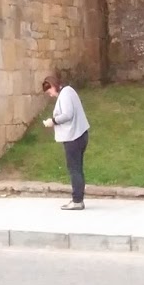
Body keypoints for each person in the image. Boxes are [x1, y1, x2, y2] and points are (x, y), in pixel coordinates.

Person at [42, 74, 90, 210]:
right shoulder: (69, 92)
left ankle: (77, 200)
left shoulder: (65, 94)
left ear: (52, 86)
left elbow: (68, 115)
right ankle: (78, 198)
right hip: (80, 135)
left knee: (74, 169)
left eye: (49, 92)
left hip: (73, 137)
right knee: (77, 169)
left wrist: (53, 121)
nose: (50, 95)